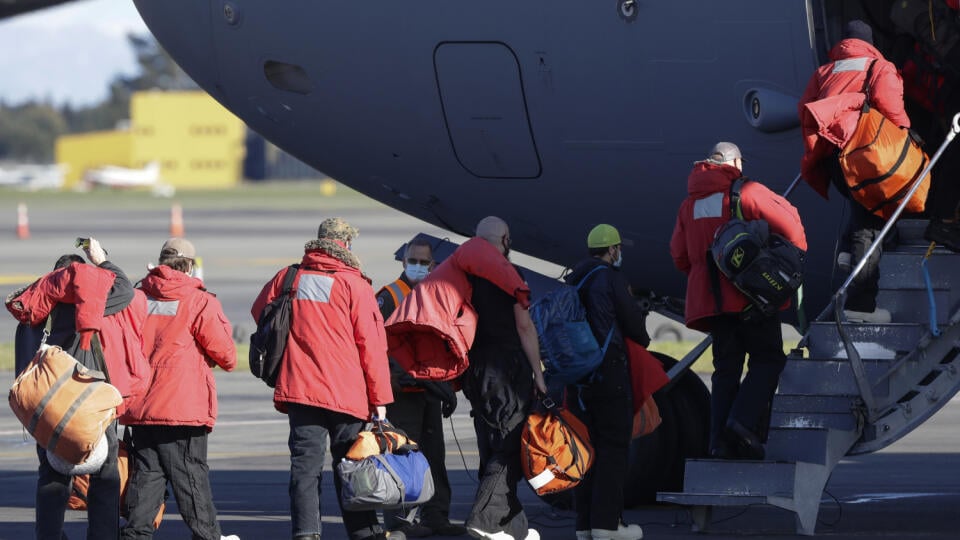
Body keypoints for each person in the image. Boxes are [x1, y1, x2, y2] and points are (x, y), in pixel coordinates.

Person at [384, 216, 547, 540]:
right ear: (505, 241)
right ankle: (485, 520)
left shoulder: (464, 278)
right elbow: (524, 327)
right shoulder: (511, 277)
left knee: (491, 444)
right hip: (507, 370)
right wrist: (539, 375)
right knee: (510, 445)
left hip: (475, 372)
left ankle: (512, 527)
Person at [251, 218, 394, 540]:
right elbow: (372, 346)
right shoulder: (355, 285)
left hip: (300, 388)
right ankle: (364, 533)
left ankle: (306, 533)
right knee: (353, 466)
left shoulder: (289, 277)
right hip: (347, 393)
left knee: (304, 467)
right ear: (346, 245)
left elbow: (261, 312)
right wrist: (380, 399)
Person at [670, 142, 807, 460]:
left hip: (713, 306)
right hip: (752, 298)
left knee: (725, 369)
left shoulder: (688, 206)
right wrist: (784, 264)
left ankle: (718, 443)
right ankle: (742, 424)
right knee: (768, 360)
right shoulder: (746, 192)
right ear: (734, 162)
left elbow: (679, 256)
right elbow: (792, 226)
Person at [6, 238, 149, 540]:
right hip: (90, 397)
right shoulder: (93, 301)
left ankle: (49, 536)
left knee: (53, 475)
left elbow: (22, 366)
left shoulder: (38, 308)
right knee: (104, 473)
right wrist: (101, 261)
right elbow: (124, 288)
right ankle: (102, 536)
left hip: (48, 404)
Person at [120, 238, 239, 540]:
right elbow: (227, 356)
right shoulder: (200, 301)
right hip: (181, 407)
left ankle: (135, 536)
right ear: (189, 265)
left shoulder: (136, 297)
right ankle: (209, 537)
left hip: (142, 404)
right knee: (191, 478)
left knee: (147, 479)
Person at [798, 19, 911, 323]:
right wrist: (906, 137)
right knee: (869, 224)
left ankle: (848, 251)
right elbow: (893, 110)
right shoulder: (879, 67)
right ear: (870, 42)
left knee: (860, 208)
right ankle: (861, 307)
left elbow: (806, 112)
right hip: (862, 155)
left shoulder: (824, 71)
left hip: (834, 159)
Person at [563, 224, 650, 540]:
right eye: (618, 249)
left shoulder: (573, 279)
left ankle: (584, 526)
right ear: (612, 250)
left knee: (586, 452)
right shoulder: (611, 278)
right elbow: (636, 330)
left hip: (577, 382)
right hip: (609, 375)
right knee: (613, 450)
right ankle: (607, 526)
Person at [375, 237, 465, 538]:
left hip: (429, 390)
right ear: (403, 262)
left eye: (423, 262)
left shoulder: (434, 294)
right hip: (401, 393)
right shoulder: (388, 297)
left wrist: (446, 385)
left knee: (434, 456)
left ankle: (436, 515)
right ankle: (399, 522)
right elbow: (374, 345)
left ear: (433, 265)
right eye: (412, 260)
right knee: (403, 457)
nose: (417, 266)